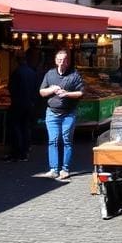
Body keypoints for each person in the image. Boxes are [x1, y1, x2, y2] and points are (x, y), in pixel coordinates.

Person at [38, 49, 84, 180]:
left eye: (64, 60)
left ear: (67, 62)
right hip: (52, 113)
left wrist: (67, 94)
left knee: (66, 141)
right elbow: (41, 92)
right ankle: (53, 169)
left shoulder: (74, 75)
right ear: (55, 61)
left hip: (68, 113)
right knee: (53, 140)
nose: (61, 63)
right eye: (59, 60)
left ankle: (65, 169)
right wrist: (51, 89)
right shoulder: (50, 74)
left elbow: (81, 93)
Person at [6, 49, 39, 162]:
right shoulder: (32, 72)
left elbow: (11, 89)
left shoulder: (16, 73)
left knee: (16, 127)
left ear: (16, 60)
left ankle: (17, 152)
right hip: (29, 104)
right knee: (25, 127)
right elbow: (36, 88)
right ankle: (25, 151)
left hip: (18, 103)